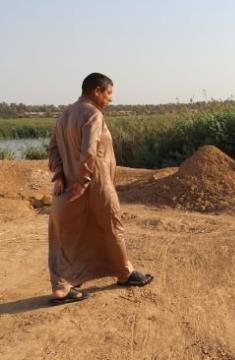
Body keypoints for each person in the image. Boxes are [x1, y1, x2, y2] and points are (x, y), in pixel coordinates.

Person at [47, 73, 153, 305]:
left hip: (66, 189)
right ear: (96, 91)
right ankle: (125, 273)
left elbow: (53, 148)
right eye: (109, 94)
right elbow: (90, 149)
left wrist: (59, 176)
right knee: (112, 226)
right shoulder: (93, 114)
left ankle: (61, 287)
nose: (110, 100)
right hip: (94, 184)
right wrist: (83, 180)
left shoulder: (64, 114)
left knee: (64, 236)